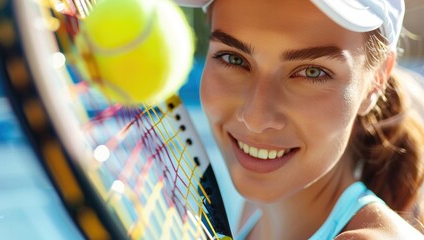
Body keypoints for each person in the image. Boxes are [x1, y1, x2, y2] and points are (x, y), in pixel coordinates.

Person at [177, 0, 424, 239]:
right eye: (233, 58)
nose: (256, 119)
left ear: (376, 81)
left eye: (311, 72)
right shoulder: (254, 211)